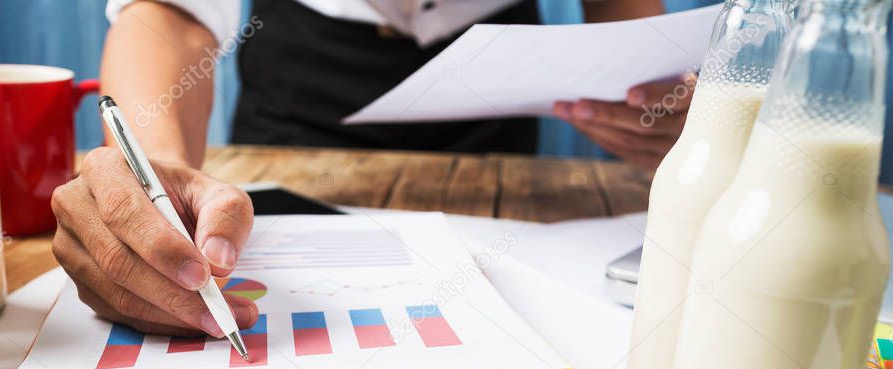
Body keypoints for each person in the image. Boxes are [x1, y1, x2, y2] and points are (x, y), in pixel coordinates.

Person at [52, 0, 693, 338]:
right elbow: (168, 15)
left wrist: (666, 102)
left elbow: (624, 12)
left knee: (500, 302)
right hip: (301, 103)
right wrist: (159, 174)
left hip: (494, 108)